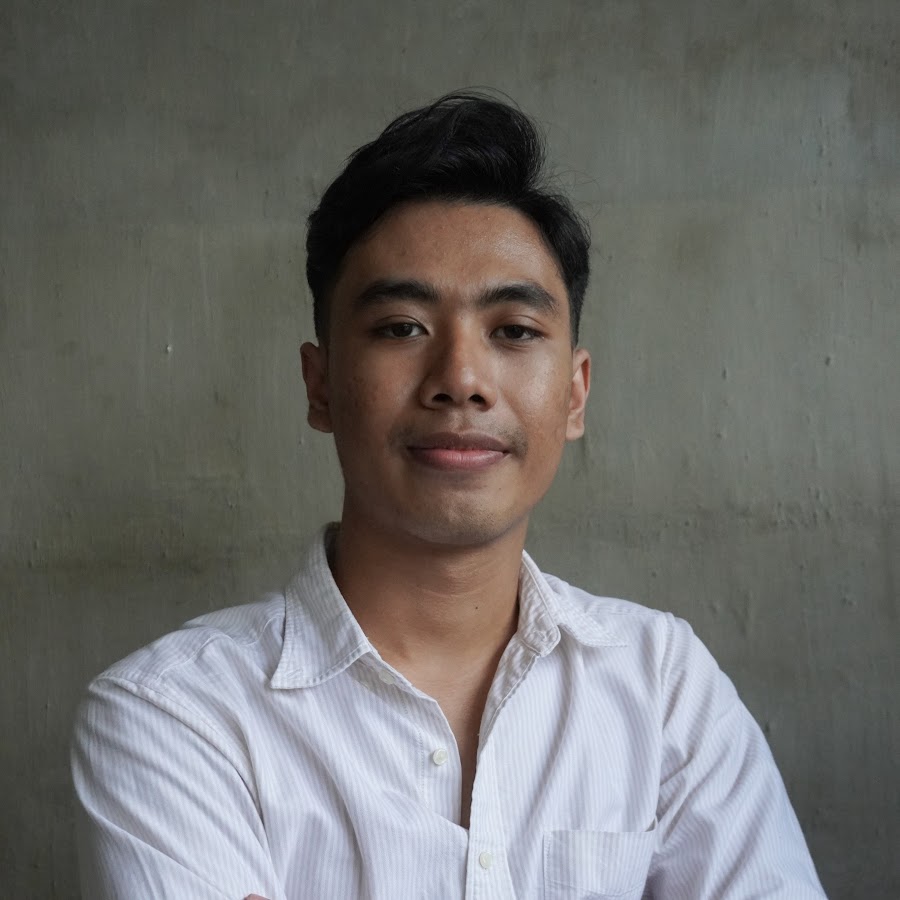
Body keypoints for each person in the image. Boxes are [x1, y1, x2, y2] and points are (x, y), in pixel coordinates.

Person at [71, 92, 826, 899]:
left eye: (514, 331)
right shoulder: (173, 715)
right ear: (320, 385)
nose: (461, 379)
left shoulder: (663, 684)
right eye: (402, 327)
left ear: (575, 395)